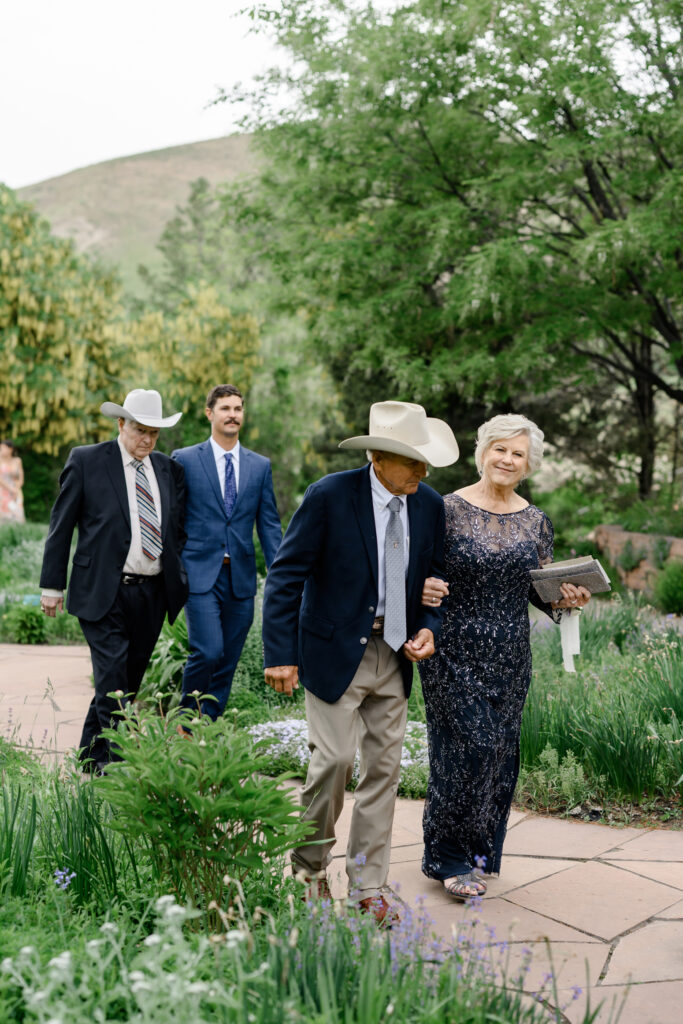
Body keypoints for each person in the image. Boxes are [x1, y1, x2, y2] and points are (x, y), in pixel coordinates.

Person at [262, 400, 459, 926]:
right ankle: (308, 872)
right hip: (331, 653)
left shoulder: (429, 505)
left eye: (424, 460)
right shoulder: (329, 496)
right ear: (377, 455)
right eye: (412, 460)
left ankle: (368, 885)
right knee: (332, 764)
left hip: (394, 655)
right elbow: (285, 576)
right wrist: (280, 655)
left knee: (385, 772)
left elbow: (434, 581)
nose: (423, 470)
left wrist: (427, 628)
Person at [419, 413, 590, 900]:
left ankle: (477, 852)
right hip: (451, 649)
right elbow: (421, 572)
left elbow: (540, 592)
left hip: (512, 654)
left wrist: (565, 599)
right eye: (500, 449)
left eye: (518, 453)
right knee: (466, 749)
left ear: (528, 464)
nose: (507, 459)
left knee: (497, 753)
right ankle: (447, 857)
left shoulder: (537, 521)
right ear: (483, 453)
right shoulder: (445, 509)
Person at [39, 389, 189, 771]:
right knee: (114, 688)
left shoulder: (168, 470)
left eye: (154, 433)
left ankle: (89, 763)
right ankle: (117, 776)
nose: (148, 439)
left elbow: (177, 530)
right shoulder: (87, 461)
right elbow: (61, 526)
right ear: (121, 423)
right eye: (141, 430)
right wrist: (52, 586)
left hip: (152, 594)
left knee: (126, 683)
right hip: (102, 592)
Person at [172, 384, 282, 719]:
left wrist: (283, 575)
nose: (232, 414)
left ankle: (208, 727)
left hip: (241, 578)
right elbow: (172, 521)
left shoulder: (259, 466)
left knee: (228, 658)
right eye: (225, 408)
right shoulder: (186, 459)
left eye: (237, 408)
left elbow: (269, 525)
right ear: (210, 413)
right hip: (199, 574)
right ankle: (184, 723)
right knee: (208, 651)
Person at [0, 440, 25, 523]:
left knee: (17, 516)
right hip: (3, 491)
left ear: (10, 449)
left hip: (16, 490)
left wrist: (16, 489)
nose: (2, 449)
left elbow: (21, 477)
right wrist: (10, 489)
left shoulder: (17, 461)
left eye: (4, 448)